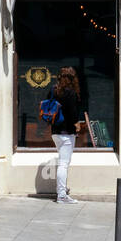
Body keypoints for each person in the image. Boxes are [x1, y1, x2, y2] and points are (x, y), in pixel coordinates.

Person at [47, 66, 84, 205]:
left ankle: (62, 190)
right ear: (72, 79)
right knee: (64, 164)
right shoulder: (71, 93)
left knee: (62, 162)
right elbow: (74, 114)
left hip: (55, 132)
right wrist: (78, 125)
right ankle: (61, 195)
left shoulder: (53, 90)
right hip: (66, 133)